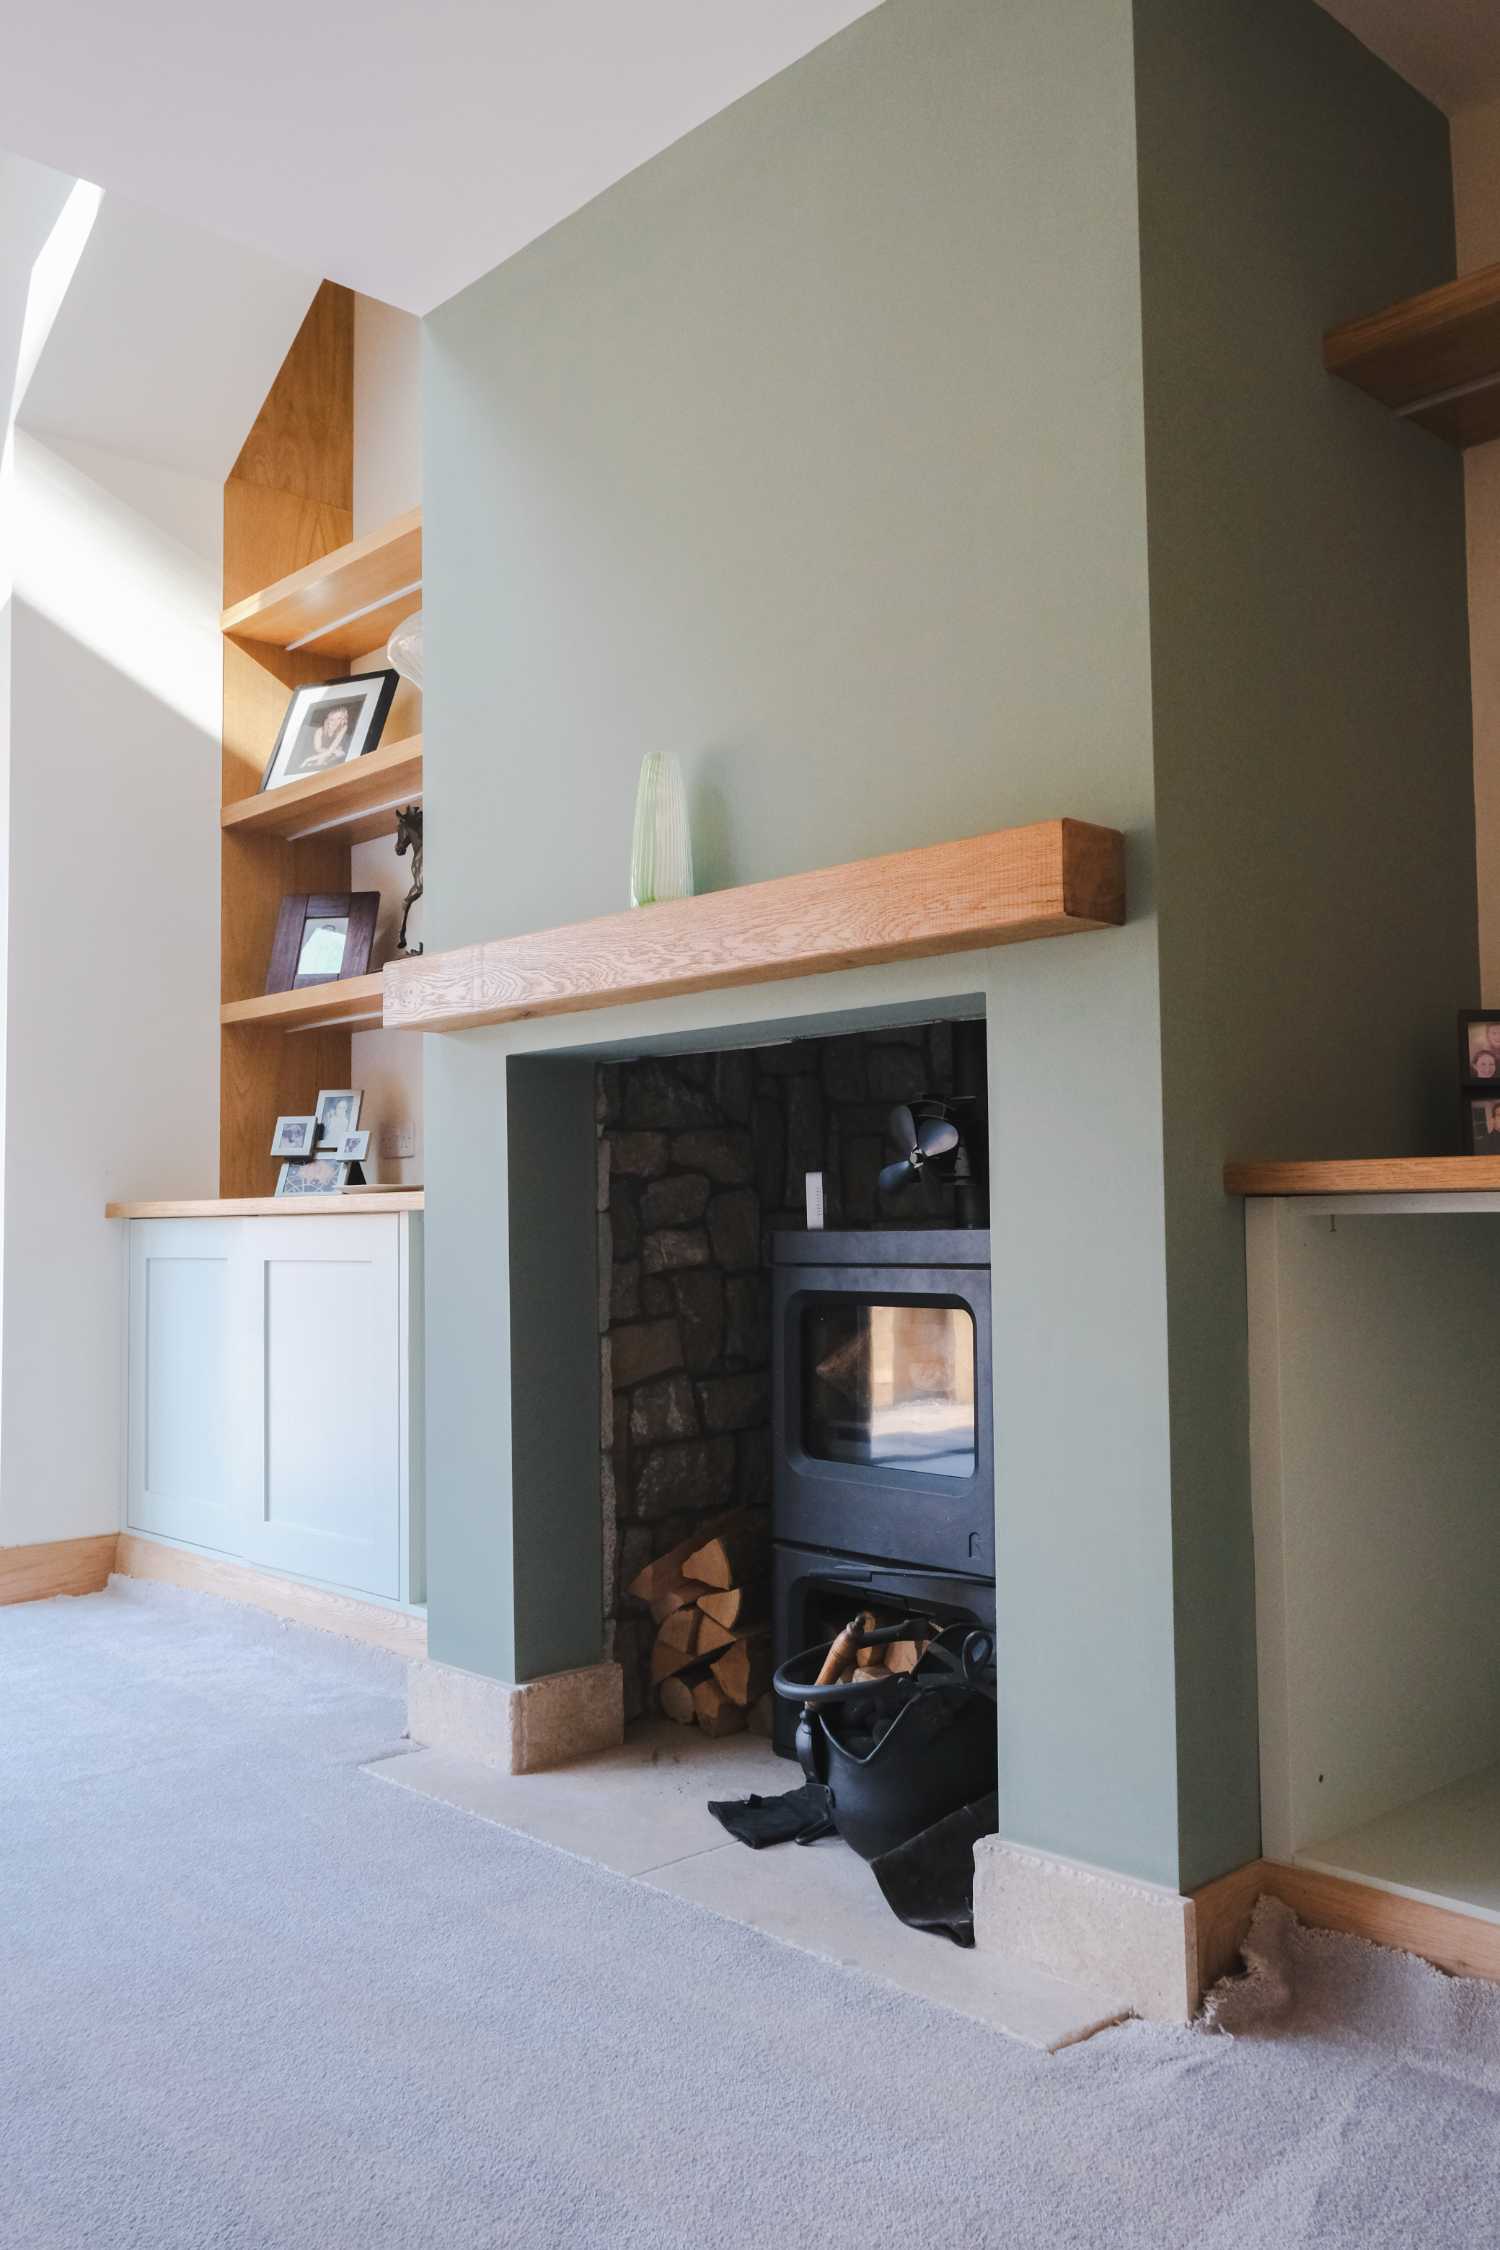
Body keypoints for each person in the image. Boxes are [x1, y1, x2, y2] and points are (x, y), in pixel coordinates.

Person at [293, 700, 356, 775]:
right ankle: (314, 767)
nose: (335, 722)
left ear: (343, 719)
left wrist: (308, 760)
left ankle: (315, 766)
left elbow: (332, 751)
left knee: (340, 753)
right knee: (336, 753)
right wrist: (333, 751)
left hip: (332, 754)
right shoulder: (320, 730)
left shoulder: (344, 727)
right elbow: (318, 748)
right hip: (320, 753)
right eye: (332, 719)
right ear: (328, 720)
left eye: (339, 718)